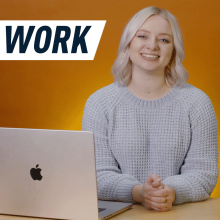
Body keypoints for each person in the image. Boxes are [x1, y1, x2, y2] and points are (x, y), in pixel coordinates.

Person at [82, 6, 218, 212]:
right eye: (142, 36)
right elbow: (97, 175)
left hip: (180, 215)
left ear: (174, 50)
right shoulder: (99, 102)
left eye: (164, 40)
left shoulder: (198, 102)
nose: (152, 46)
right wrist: (139, 192)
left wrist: (170, 192)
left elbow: (204, 173)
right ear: (128, 43)